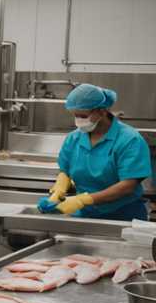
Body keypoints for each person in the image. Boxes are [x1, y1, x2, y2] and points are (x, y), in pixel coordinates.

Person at [37, 83, 150, 221]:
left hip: (123, 214)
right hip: (86, 213)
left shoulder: (129, 140)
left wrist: (82, 200)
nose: (78, 121)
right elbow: (65, 171)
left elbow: (128, 186)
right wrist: (60, 189)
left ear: (102, 110)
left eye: (82, 116)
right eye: (74, 115)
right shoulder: (74, 138)